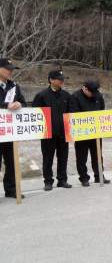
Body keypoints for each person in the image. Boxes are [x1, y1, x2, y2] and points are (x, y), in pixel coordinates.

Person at [32, 69, 71, 191]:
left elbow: (71, 112)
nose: (62, 81)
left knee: (63, 157)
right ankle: (48, 181)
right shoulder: (42, 96)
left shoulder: (66, 95)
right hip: (48, 134)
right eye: (60, 79)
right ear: (51, 80)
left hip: (63, 133)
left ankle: (62, 180)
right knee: (48, 158)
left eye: (63, 79)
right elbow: (35, 114)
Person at [69, 79, 111, 186]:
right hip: (82, 132)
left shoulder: (98, 96)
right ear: (85, 89)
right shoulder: (75, 96)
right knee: (81, 156)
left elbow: (102, 109)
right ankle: (83, 178)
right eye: (92, 93)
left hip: (96, 132)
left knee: (97, 155)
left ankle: (99, 175)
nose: (94, 95)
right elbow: (74, 113)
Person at [0, 58, 27, 199]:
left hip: (10, 132)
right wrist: (5, 105)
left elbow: (24, 102)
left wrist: (19, 104)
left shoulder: (14, 86)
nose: (11, 72)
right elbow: (4, 105)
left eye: (12, 69)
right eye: (8, 69)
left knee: (11, 161)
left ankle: (11, 189)